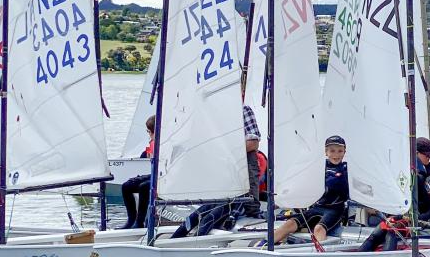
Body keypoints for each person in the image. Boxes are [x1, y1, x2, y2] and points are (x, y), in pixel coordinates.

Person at [170, 105, 265, 239]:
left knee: (208, 218)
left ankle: (194, 245)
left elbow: (253, 143)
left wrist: (225, 151)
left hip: (243, 195)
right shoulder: (215, 116)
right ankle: (173, 242)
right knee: (195, 217)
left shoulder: (243, 110)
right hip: (226, 190)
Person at [358, 137, 430, 252]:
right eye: (427, 156)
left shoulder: (419, 174)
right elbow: (428, 208)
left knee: (387, 231)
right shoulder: (416, 177)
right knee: (389, 230)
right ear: (416, 153)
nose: (429, 159)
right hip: (404, 218)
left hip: (407, 216)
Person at [263, 135, 349, 245]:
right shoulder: (317, 167)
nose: (336, 154)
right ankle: (264, 246)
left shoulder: (346, 169)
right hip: (317, 207)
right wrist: (281, 200)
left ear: (344, 152)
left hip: (335, 210)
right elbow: (302, 185)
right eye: (332, 151)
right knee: (289, 224)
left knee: (318, 229)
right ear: (326, 152)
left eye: (339, 151)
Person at [119, 115, 155, 229]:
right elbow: (145, 157)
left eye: (149, 132)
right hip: (152, 174)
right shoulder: (152, 143)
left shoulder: (164, 142)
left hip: (163, 176)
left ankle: (140, 222)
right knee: (126, 186)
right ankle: (131, 220)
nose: (149, 134)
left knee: (144, 187)